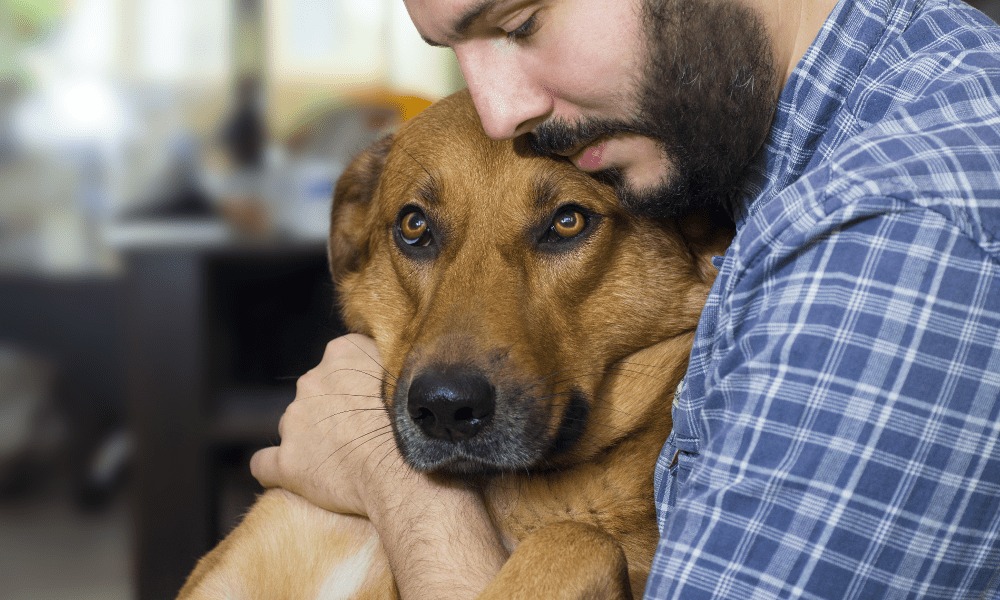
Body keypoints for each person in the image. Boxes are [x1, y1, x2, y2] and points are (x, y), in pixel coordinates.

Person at [251, 0, 1000, 597]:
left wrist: (398, 486)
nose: (496, 111)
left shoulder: (895, 233)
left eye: (522, 23)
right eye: (455, 51)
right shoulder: (762, 152)